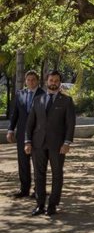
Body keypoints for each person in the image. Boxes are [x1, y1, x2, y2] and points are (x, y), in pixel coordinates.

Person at [24, 70, 76, 216]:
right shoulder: (37, 99)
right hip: (38, 144)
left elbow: (70, 124)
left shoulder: (66, 101)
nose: (53, 83)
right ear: (46, 81)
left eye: (56, 80)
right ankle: (40, 205)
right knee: (38, 175)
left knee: (57, 174)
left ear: (59, 82)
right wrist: (27, 142)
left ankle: (52, 205)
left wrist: (67, 143)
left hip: (58, 145)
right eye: (51, 80)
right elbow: (30, 124)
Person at [6, 70, 44, 199]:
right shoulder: (19, 94)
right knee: (23, 162)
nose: (31, 82)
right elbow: (15, 114)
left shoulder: (43, 94)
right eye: (28, 80)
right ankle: (24, 189)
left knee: (38, 163)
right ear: (25, 81)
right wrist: (11, 130)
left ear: (37, 80)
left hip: (38, 134)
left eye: (33, 79)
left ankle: (38, 190)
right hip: (22, 134)